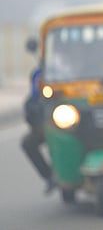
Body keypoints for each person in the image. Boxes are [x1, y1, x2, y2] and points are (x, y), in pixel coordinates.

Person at [21, 66, 55, 195]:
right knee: (28, 142)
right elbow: (32, 102)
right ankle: (49, 176)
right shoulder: (40, 73)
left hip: (79, 121)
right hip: (54, 122)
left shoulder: (76, 66)